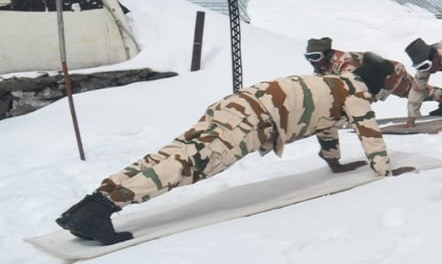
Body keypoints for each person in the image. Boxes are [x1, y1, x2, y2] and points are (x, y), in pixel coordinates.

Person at [55, 65, 415, 246]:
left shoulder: (338, 84)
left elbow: (326, 123)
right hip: (251, 123)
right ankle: (99, 210)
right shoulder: (358, 97)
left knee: (173, 154)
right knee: (189, 164)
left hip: (235, 107)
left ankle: (89, 206)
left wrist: (333, 162)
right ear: (383, 84)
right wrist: (384, 173)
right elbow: (372, 137)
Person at [304, 37, 442, 125]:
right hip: (373, 77)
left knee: (416, 93)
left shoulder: (345, 61)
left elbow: (353, 88)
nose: (313, 61)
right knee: (417, 92)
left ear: (327, 53)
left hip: (390, 74)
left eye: (315, 57)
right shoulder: (323, 66)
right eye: (309, 58)